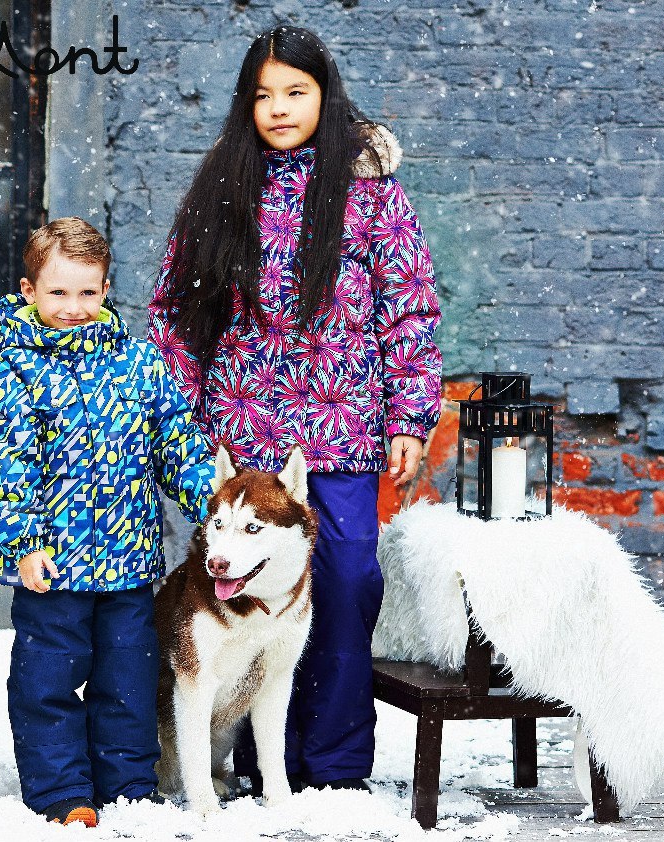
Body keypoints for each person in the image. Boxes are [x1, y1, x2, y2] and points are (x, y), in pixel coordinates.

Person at [148, 25, 442, 793]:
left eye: (295, 92)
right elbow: (176, 313)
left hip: (344, 428)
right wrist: (182, 419)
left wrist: (409, 416)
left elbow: (409, 307)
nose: (279, 108)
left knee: (346, 580)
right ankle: (262, 760)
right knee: (245, 588)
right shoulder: (224, 186)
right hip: (245, 431)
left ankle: (336, 766)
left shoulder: (370, 190)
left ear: (324, 96)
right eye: (263, 95)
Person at [0, 217, 214, 826]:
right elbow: (8, 462)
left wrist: (213, 507)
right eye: (58, 292)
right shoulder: (16, 368)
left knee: (128, 679)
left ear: (106, 289)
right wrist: (25, 542)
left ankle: (128, 783)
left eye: (87, 292)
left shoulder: (140, 363)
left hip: (128, 559)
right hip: (51, 566)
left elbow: (176, 444)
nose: (74, 307)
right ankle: (62, 790)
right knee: (47, 681)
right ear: (29, 291)